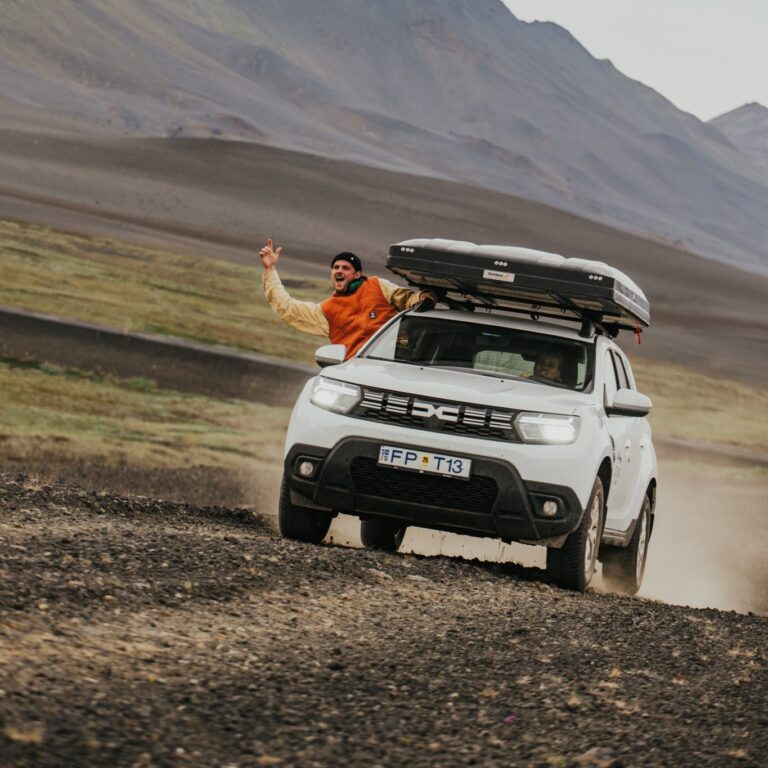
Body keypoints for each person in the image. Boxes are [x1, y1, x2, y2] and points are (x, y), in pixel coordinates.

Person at [259, 239, 436, 359]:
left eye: (345, 267)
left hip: (396, 359)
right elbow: (287, 308)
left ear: (357, 274)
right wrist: (270, 270)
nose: (339, 271)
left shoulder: (376, 285)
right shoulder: (328, 310)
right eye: (335, 267)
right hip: (357, 368)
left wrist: (421, 297)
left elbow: (407, 299)